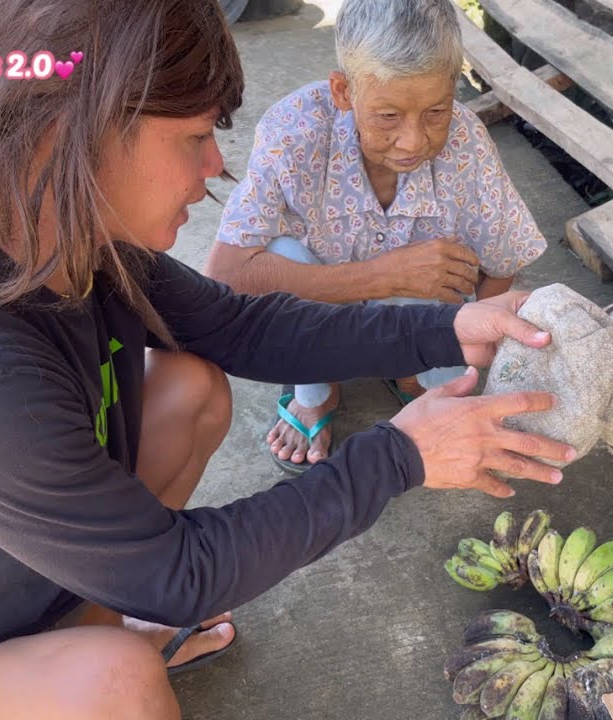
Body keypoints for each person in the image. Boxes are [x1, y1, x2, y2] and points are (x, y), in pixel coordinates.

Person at [0, 1, 576, 719]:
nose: (215, 164)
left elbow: (245, 328)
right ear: (61, 135)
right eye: (191, 138)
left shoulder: (68, 239)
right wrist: (402, 454)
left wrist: (447, 327)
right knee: (115, 686)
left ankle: (84, 630)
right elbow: (182, 572)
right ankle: (79, 659)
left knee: (189, 390)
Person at [204, 0, 549, 475]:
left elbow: (504, 258)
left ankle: (411, 371)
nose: (413, 141)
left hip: (421, 314)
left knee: (454, 277)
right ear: (344, 91)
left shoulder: (466, 143)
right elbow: (226, 276)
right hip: (323, 305)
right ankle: (315, 390)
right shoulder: (294, 131)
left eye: (436, 111)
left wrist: (462, 359)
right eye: (388, 116)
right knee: (281, 256)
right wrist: (386, 276)